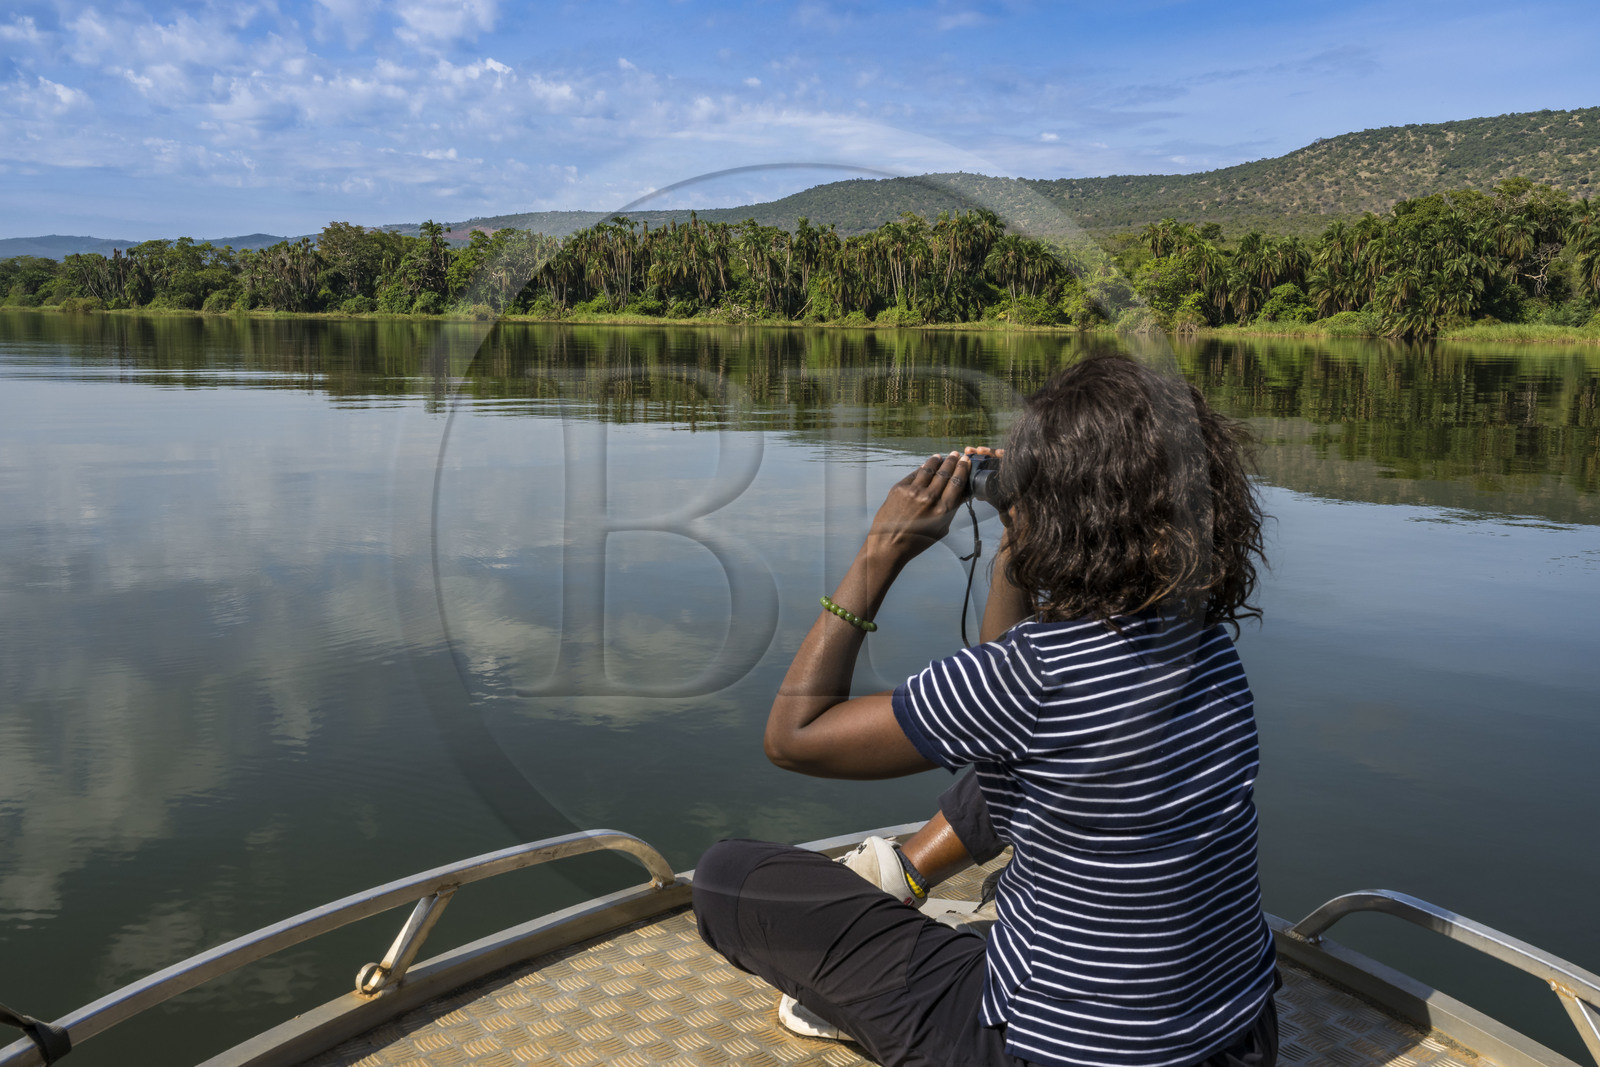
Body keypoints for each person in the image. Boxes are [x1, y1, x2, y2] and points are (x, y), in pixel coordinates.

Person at [693, 354, 1278, 1067]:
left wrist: (880, 552)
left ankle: (871, 976)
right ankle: (903, 872)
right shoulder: (1203, 640)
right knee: (1030, 766)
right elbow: (1009, 714)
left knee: (727, 877)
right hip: (1240, 1041)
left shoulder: (1032, 679)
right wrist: (1019, 531)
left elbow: (794, 736)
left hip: (1056, 1056)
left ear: (1066, 511)